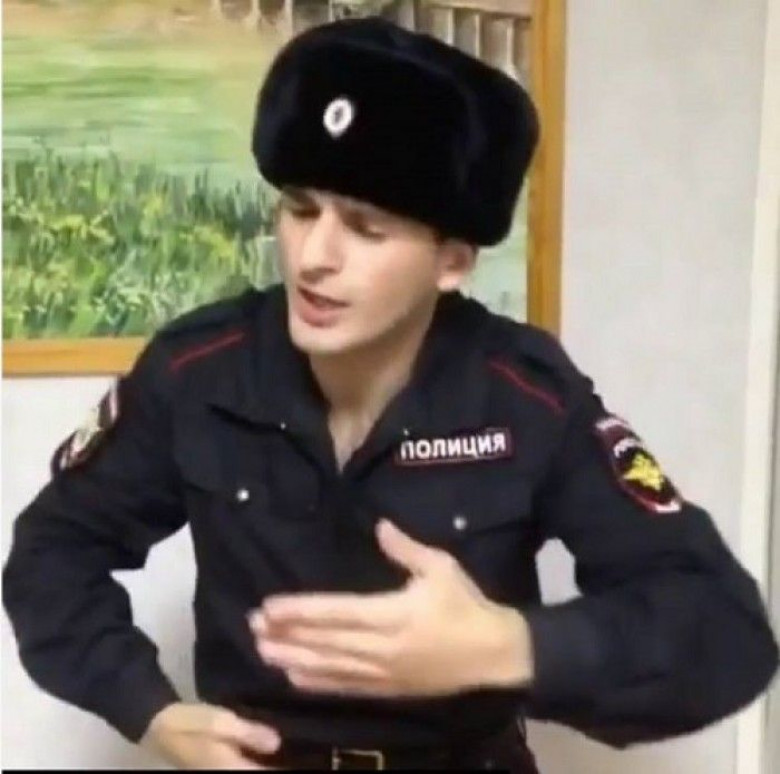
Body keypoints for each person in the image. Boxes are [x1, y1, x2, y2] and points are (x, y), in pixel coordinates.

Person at [3, 16, 778, 773]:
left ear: (453, 262)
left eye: (366, 229)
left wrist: (507, 646)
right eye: (300, 209)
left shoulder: (524, 395)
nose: (313, 257)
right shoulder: (198, 370)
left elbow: (726, 632)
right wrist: (149, 711)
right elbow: (51, 552)